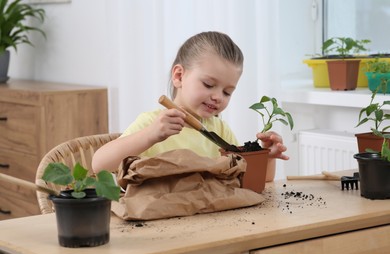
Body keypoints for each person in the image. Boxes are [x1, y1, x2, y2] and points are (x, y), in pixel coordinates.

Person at [92, 31, 288, 179]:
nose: (218, 97)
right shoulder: (153, 124)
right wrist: (150, 135)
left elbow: (255, 179)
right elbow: (99, 164)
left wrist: (267, 157)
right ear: (179, 76)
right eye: (209, 85)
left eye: (227, 92)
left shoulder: (219, 130)